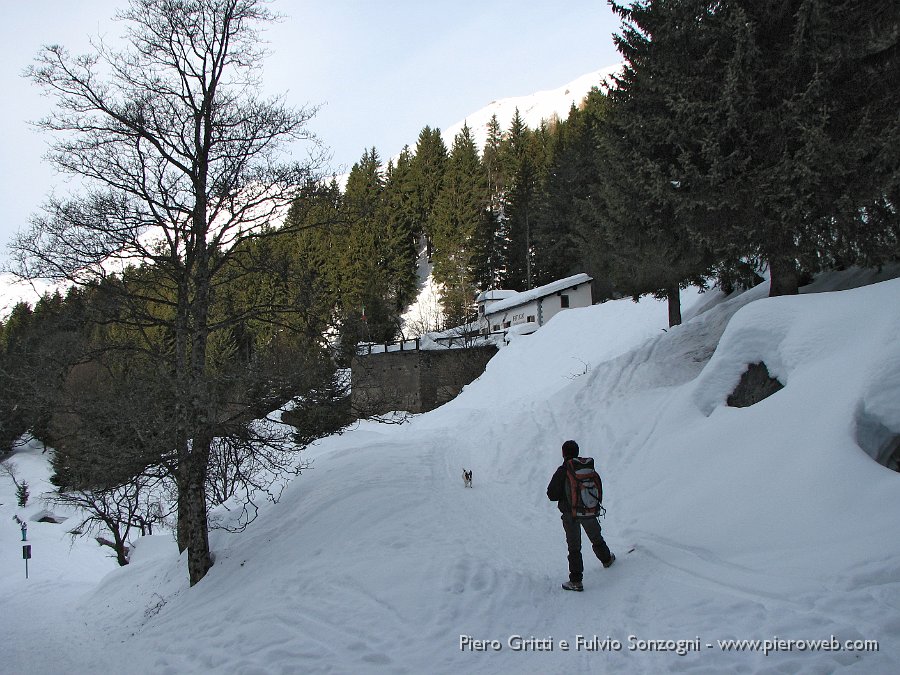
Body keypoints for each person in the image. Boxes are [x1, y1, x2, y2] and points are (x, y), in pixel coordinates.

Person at [547, 439, 615, 591]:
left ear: (563, 453)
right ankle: (607, 559)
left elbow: (551, 494)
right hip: (587, 509)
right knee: (596, 537)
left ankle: (576, 581)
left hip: (570, 514)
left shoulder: (563, 470)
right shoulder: (586, 468)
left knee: (574, 547)